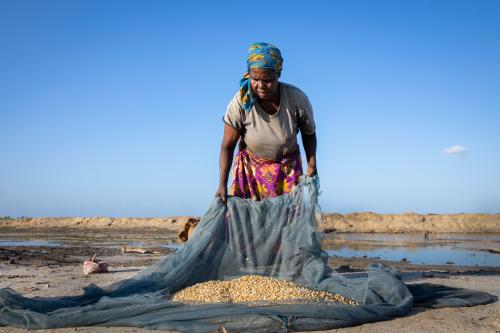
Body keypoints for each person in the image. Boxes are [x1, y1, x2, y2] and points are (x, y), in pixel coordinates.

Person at [215, 42, 317, 203]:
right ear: (249, 75)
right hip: (251, 172)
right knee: (251, 222)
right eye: (255, 79)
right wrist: (222, 184)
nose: (261, 86)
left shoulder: (297, 99)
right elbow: (227, 146)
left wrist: (312, 164)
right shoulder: (240, 102)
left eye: (268, 80)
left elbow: (309, 134)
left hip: (287, 170)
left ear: (278, 75)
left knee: (286, 221)